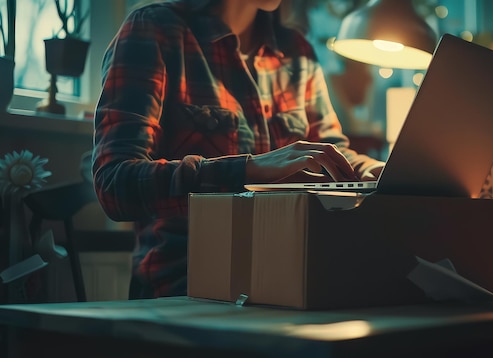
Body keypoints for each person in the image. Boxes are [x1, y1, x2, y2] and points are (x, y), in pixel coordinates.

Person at [92, 0, 385, 299]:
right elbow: (114, 184)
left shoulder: (297, 52)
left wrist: (379, 170)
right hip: (185, 288)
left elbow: (331, 152)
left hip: (290, 278)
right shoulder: (155, 29)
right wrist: (248, 170)